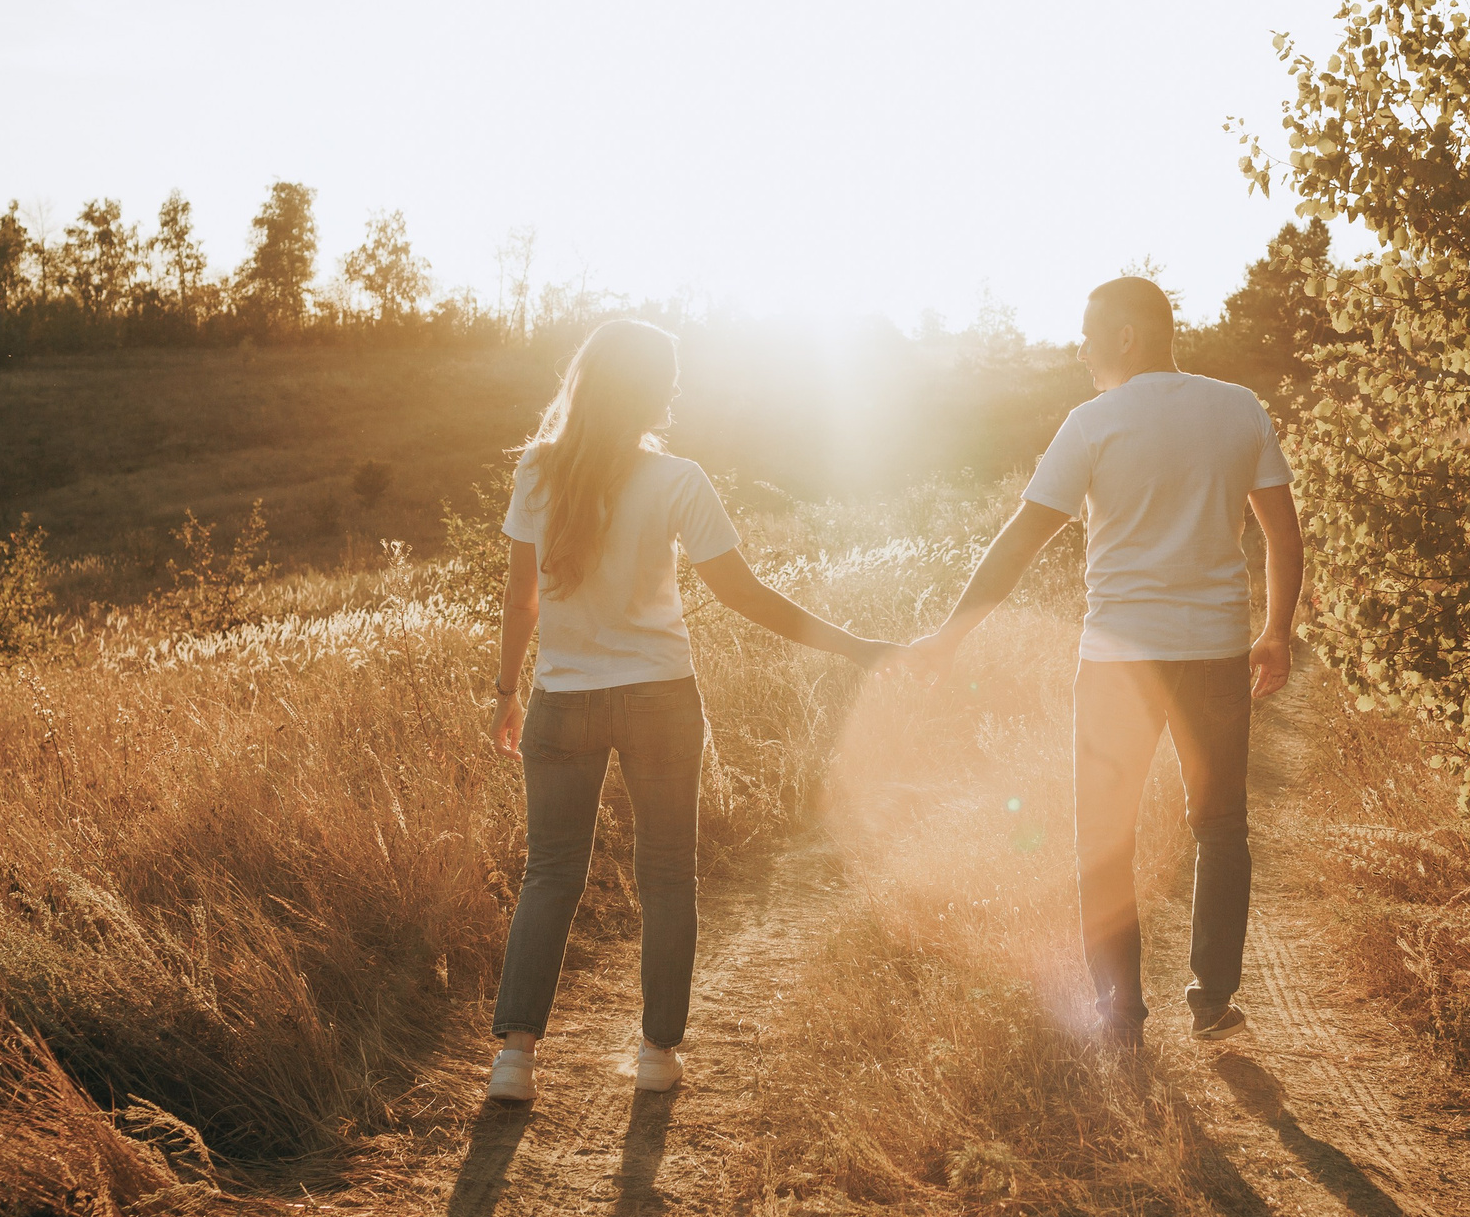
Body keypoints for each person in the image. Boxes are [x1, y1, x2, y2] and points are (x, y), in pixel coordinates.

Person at [485, 319, 899, 1103]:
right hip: (660, 698)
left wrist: (507, 692)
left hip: (562, 700)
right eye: (670, 382)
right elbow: (745, 595)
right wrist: (854, 646)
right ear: (654, 392)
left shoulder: (538, 470)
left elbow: (521, 596)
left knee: (550, 874)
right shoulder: (678, 479)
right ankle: (656, 1053)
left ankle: (515, 1059)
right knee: (669, 874)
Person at [911, 277, 1304, 1045]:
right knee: (1220, 826)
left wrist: (951, 634)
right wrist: (1276, 631)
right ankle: (1213, 1003)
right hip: (1214, 652)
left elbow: (1020, 542)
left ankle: (1119, 1012)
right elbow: (1283, 538)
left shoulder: (1091, 424)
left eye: (1090, 334)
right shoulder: (1238, 408)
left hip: (1118, 662)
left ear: (1128, 335)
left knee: (1104, 835)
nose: (1081, 350)